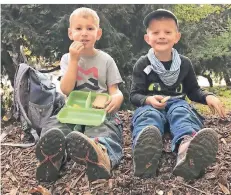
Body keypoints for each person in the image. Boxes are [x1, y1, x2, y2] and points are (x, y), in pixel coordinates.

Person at [130, 9, 226, 180]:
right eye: (156, 32)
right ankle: (145, 154)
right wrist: (147, 100)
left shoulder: (184, 64)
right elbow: (135, 95)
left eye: (167, 32)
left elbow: (193, 91)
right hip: (152, 106)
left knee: (182, 113)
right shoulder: (142, 64)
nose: (162, 36)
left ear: (177, 37)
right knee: (147, 116)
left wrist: (207, 96)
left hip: (177, 104)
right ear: (147, 38)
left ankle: (187, 150)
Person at [35, 7, 124, 182]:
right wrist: (75, 60)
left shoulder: (106, 60)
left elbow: (114, 90)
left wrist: (117, 98)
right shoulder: (67, 59)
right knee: (54, 125)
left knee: (105, 129)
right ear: (70, 33)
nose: (84, 33)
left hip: (99, 111)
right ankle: (51, 159)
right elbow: (67, 89)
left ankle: (102, 156)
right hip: (73, 109)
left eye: (90, 29)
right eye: (79, 28)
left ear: (98, 34)